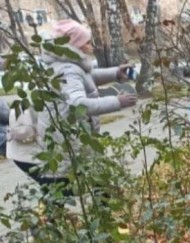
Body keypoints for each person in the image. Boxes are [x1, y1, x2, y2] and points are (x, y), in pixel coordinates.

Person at [6, 20, 137, 191]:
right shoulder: (67, 69)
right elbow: (78, 104)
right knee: (67, 191)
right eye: (87, 42)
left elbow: (85, 78)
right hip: (57, 146)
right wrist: (117, 101)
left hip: (61, 142)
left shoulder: (66, 64)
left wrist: (114, 73)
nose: (92, 46)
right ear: (76, 46)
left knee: (88, 186)